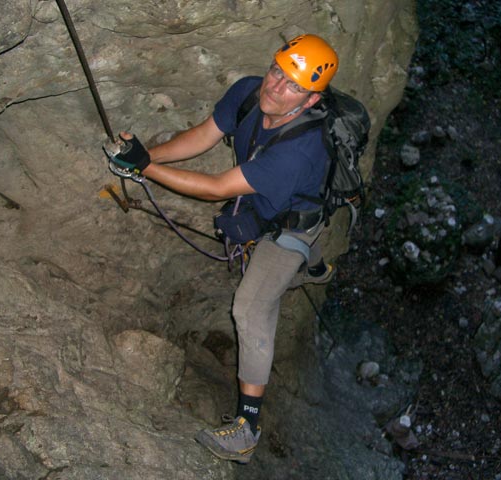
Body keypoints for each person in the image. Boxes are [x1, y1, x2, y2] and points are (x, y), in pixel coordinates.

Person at [110, 33, 339, 464]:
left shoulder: (301, 151)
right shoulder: (250, 93)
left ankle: (247, 428)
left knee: (250, 307)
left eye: (292, 85)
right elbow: (203, 135)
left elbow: (217, 189)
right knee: (290, 227)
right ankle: (317, 268)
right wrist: (143, 157)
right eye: (277, 71)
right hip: (272, 195)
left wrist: (147, 169)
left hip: (293, 224)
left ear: (310, 101)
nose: (275, 86)